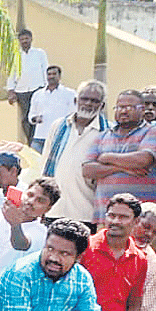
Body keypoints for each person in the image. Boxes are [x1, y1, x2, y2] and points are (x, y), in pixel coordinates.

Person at [0, 177, 58, 306]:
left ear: (48, 209)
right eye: (30, 195)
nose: (31, 202)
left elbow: (21, 244)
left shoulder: (42, 233)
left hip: (9, 304)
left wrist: (15, 224)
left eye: (40, 200)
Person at [83, 89, 156, 222]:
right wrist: (122, 168)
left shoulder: (154, 132)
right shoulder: (102, 136)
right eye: (120, 107)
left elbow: (143, 160)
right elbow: (87, 170)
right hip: (106, 216)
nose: (123, 111)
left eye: (130, 107)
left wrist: (106, 158)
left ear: (142, 109)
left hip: (141, 219)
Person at [80, 193, 148, 311]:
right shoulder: (85, 247)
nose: (115, 221)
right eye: (111, 215)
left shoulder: (140, 259)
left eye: (123, 217)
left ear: (136, 221)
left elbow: (134, 304)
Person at [45, 80, 108, 220]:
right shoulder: (59, 126)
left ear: (102, 105)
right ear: (75, 100)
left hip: (86, 213)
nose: (88, 104)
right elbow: (45, 163)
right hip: (54, 211)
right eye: (84, 99)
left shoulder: (107, 132)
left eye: (94, 101)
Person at [6, 29, 48, 145]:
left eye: (26, 38)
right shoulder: (16, 56)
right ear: (19, 41)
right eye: (22, 39)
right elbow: (12, 74)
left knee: (38, 116)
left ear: (31, 39)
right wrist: (11, 91)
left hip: (38, 89)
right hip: (22, 91)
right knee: (26, 118)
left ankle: (38, 140)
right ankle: (30, 142)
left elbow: (45, 69)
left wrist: (47, 88)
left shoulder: (40, 53)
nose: (24, 41)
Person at [27, 65, 74, 153]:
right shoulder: (37, 94)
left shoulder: (69, 93)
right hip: (40, 137)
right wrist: (35, 119)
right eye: (49, 74)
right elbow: (31, 115)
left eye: (54, 74)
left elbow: (73, 114)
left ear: (59, 76)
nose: (51, 76)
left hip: (59, 137)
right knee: (34, 160)